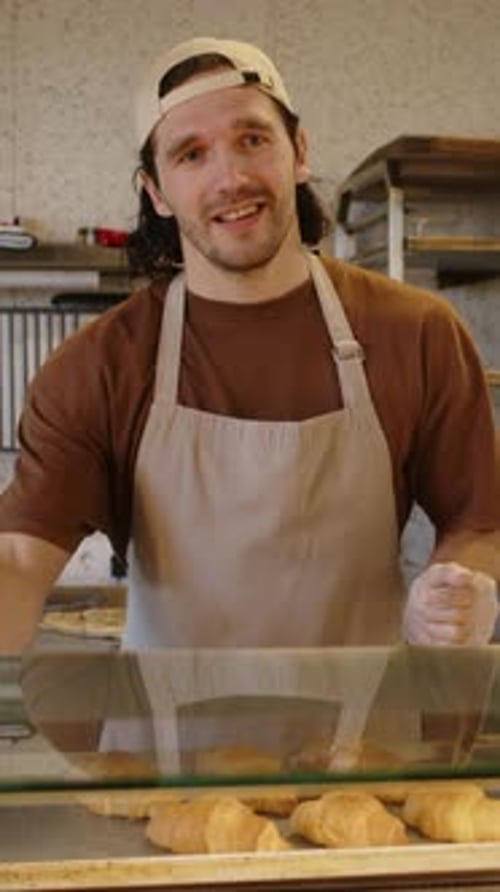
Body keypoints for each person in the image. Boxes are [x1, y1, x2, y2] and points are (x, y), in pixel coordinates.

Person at [0, 36, 498, 655]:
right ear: (154, 191)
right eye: (190, 154)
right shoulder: (99, 366)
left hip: (364, 742)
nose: (230, 178)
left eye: (253, 139)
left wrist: (463, 593)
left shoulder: (415, 332)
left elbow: (479, 523)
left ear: (299, 151)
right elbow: (19, 559)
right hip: (168, 744)